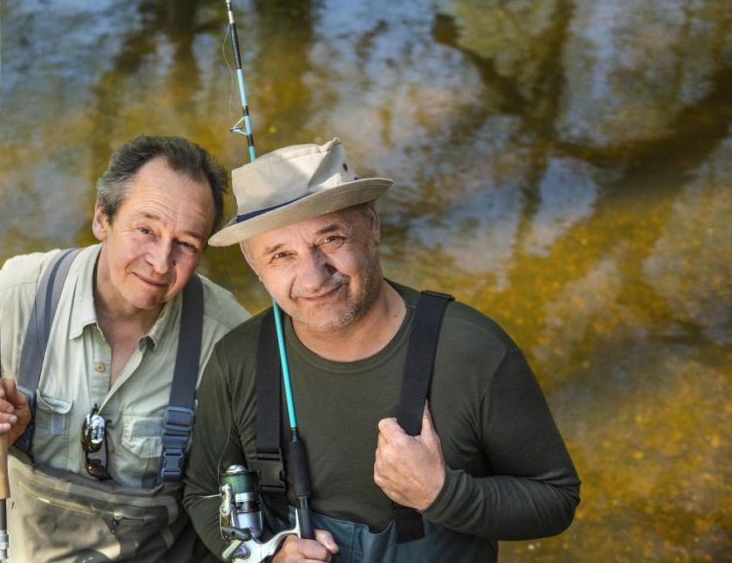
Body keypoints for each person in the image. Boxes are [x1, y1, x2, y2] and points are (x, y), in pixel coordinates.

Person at [183, 138, 580, 562]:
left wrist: (443, 494)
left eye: (331, 239)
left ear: (372, 226)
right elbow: (204, 493)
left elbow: (555, 498)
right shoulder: (238, 361)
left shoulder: (473, 351)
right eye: (281, 255)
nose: (313, 277)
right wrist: (266, 556)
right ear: (253, 262)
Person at [0, 135, 249, 562]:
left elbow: (234, 485)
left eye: (186, 244)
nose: (160, 262)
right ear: (102, 217)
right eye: (146, 230)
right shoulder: (12, 296)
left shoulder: (229, 337)